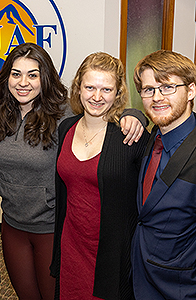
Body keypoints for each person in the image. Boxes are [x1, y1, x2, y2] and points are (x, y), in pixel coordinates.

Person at [0, 43, 147, 300]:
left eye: (33, 74)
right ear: (6, 77)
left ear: (44, 77)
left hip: (51, 226)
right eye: (16, 74)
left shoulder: (63, 114)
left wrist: (136, 115)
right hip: (12, 225)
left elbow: (101, 109)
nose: (23, 82)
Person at [50, 52, 150, 300]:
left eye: (106, 89)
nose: (97, 97)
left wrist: (138, 115)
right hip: (71, 245)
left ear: (118, 93)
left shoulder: (130, 136)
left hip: (111, 254)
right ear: (78, 88)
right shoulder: (66, 128)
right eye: (90, 87)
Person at [131, 50, 196, 299]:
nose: (157, 97)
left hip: (181, 288)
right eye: (148, 89)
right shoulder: (152, 137)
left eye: (167, 87)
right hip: (141, 278)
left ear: (190, 91)